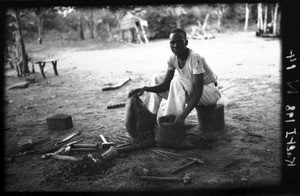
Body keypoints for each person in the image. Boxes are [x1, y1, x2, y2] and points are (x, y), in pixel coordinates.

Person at [128, 28, 221, 128]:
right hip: (191, 89)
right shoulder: (172, 58)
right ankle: (151, 118)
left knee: (177, 81)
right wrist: (145, 88)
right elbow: (164, 85)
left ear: (186, 42)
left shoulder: (195, 58)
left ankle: (171, 124)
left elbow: (198, 92)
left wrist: (182, 117)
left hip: (209, 93)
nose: (175, 45)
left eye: (179, 41)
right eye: (172, 42)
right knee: (156, 78)